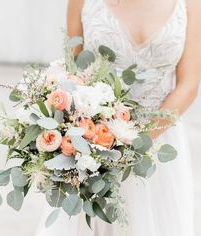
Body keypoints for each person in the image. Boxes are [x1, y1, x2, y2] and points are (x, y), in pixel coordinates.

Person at [35, 0, 201, 235]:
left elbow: (188, 85)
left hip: (160, 140)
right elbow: (71, 76)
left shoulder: (191, 4)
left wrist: (137, 142)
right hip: (93, 143)